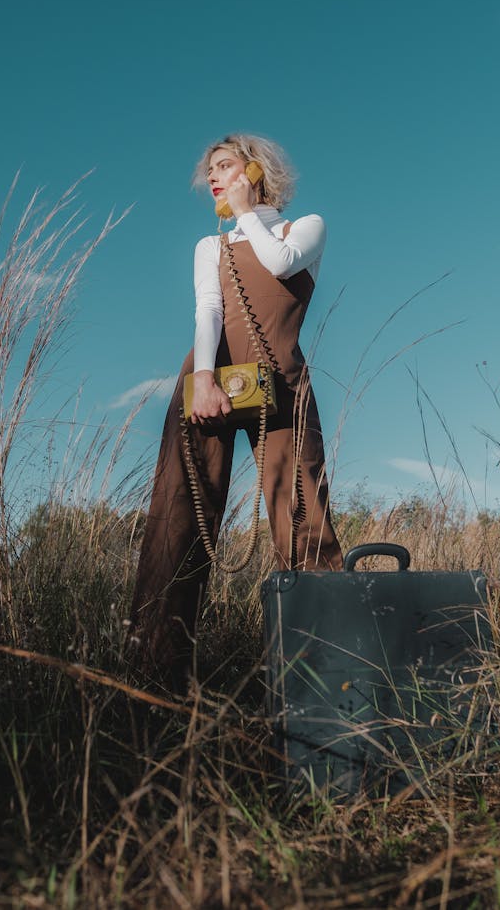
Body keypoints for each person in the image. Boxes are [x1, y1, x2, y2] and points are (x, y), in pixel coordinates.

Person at [131, 133, 343, 689]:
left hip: (283, 384)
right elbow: (207, 311)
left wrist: (247, 213)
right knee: (178, 519)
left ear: (255, 168)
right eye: (211, 174)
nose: (215, 181)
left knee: (302, 518)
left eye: (225, 167)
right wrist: (202, 379)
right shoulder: (209, 246)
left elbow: (278, 261)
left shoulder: (307, 228)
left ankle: (328, 674)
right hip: (210, 382)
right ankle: (155, 672)